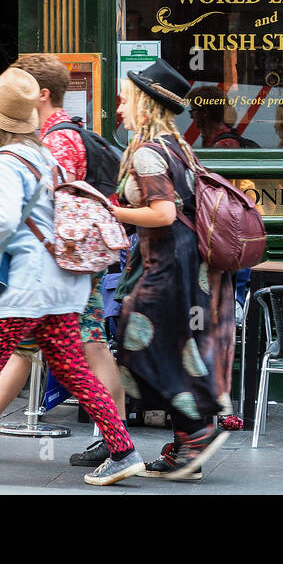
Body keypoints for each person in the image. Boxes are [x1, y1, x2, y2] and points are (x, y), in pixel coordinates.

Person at [0, 68, 144, 486]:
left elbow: (5, 220)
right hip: (63, 283)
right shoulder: (46, 155)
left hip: (24, 287)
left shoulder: (6, 159)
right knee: (75, 369)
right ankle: (123, 451)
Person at [111, 60, 237, 480]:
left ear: (145, 104)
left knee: (138, 341)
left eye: (126, 99)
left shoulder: (149, 152)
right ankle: (190, 444)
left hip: (169, 262)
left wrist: (114, 211)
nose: (120, 107)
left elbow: (163, 214)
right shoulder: (176, 144)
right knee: (175, 346)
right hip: (186, 261)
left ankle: (198, 428)